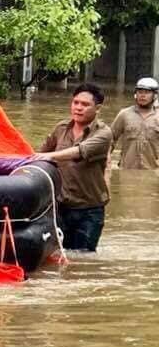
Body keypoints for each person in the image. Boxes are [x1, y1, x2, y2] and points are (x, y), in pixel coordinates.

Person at [34, 83, 112, 251]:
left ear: (97, 108)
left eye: (85, 105)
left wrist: (49, 156)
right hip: (60, 207)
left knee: (82, 259)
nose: (78, 108)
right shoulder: (61, 129)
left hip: (89, 210)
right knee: (57, 255)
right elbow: (38, 156)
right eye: (75, 102)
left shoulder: (103, 133)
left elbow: (79, 151)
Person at [110, 77, 159, 169]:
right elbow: (110, 139)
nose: (142, 95)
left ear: (155, 95)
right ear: (135, 94)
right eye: (140, 92)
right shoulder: (124, 114)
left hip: (153, 172)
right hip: (127, 170)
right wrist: (106, 162)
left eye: (147, 92)